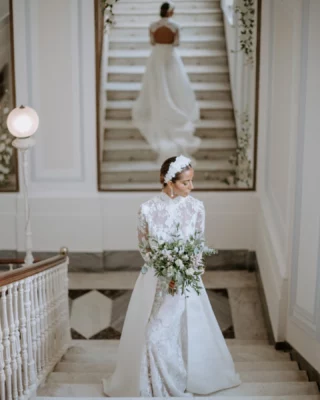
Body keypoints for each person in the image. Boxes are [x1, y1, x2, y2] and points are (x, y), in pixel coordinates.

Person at [103, 155, 241, 397]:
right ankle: (156, 382)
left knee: (180, 330)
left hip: (186, 282)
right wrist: (166, 269)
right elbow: (144, 248)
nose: (191, 187)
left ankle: (185, 375)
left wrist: (190, 270)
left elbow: (198, 244)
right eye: (185, 183)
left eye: (191, 182)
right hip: (156, 281)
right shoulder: (146, 210)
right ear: (167, 181)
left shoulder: (197, 207)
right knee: (153, 333)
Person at [132, 2, 201, 164]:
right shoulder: (175, 26)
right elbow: (176, 44)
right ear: (170, 13)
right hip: (170, 56)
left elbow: (152, 43)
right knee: (174, 83)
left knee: (157, 83)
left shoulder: (153, 26)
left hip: (156, 56)